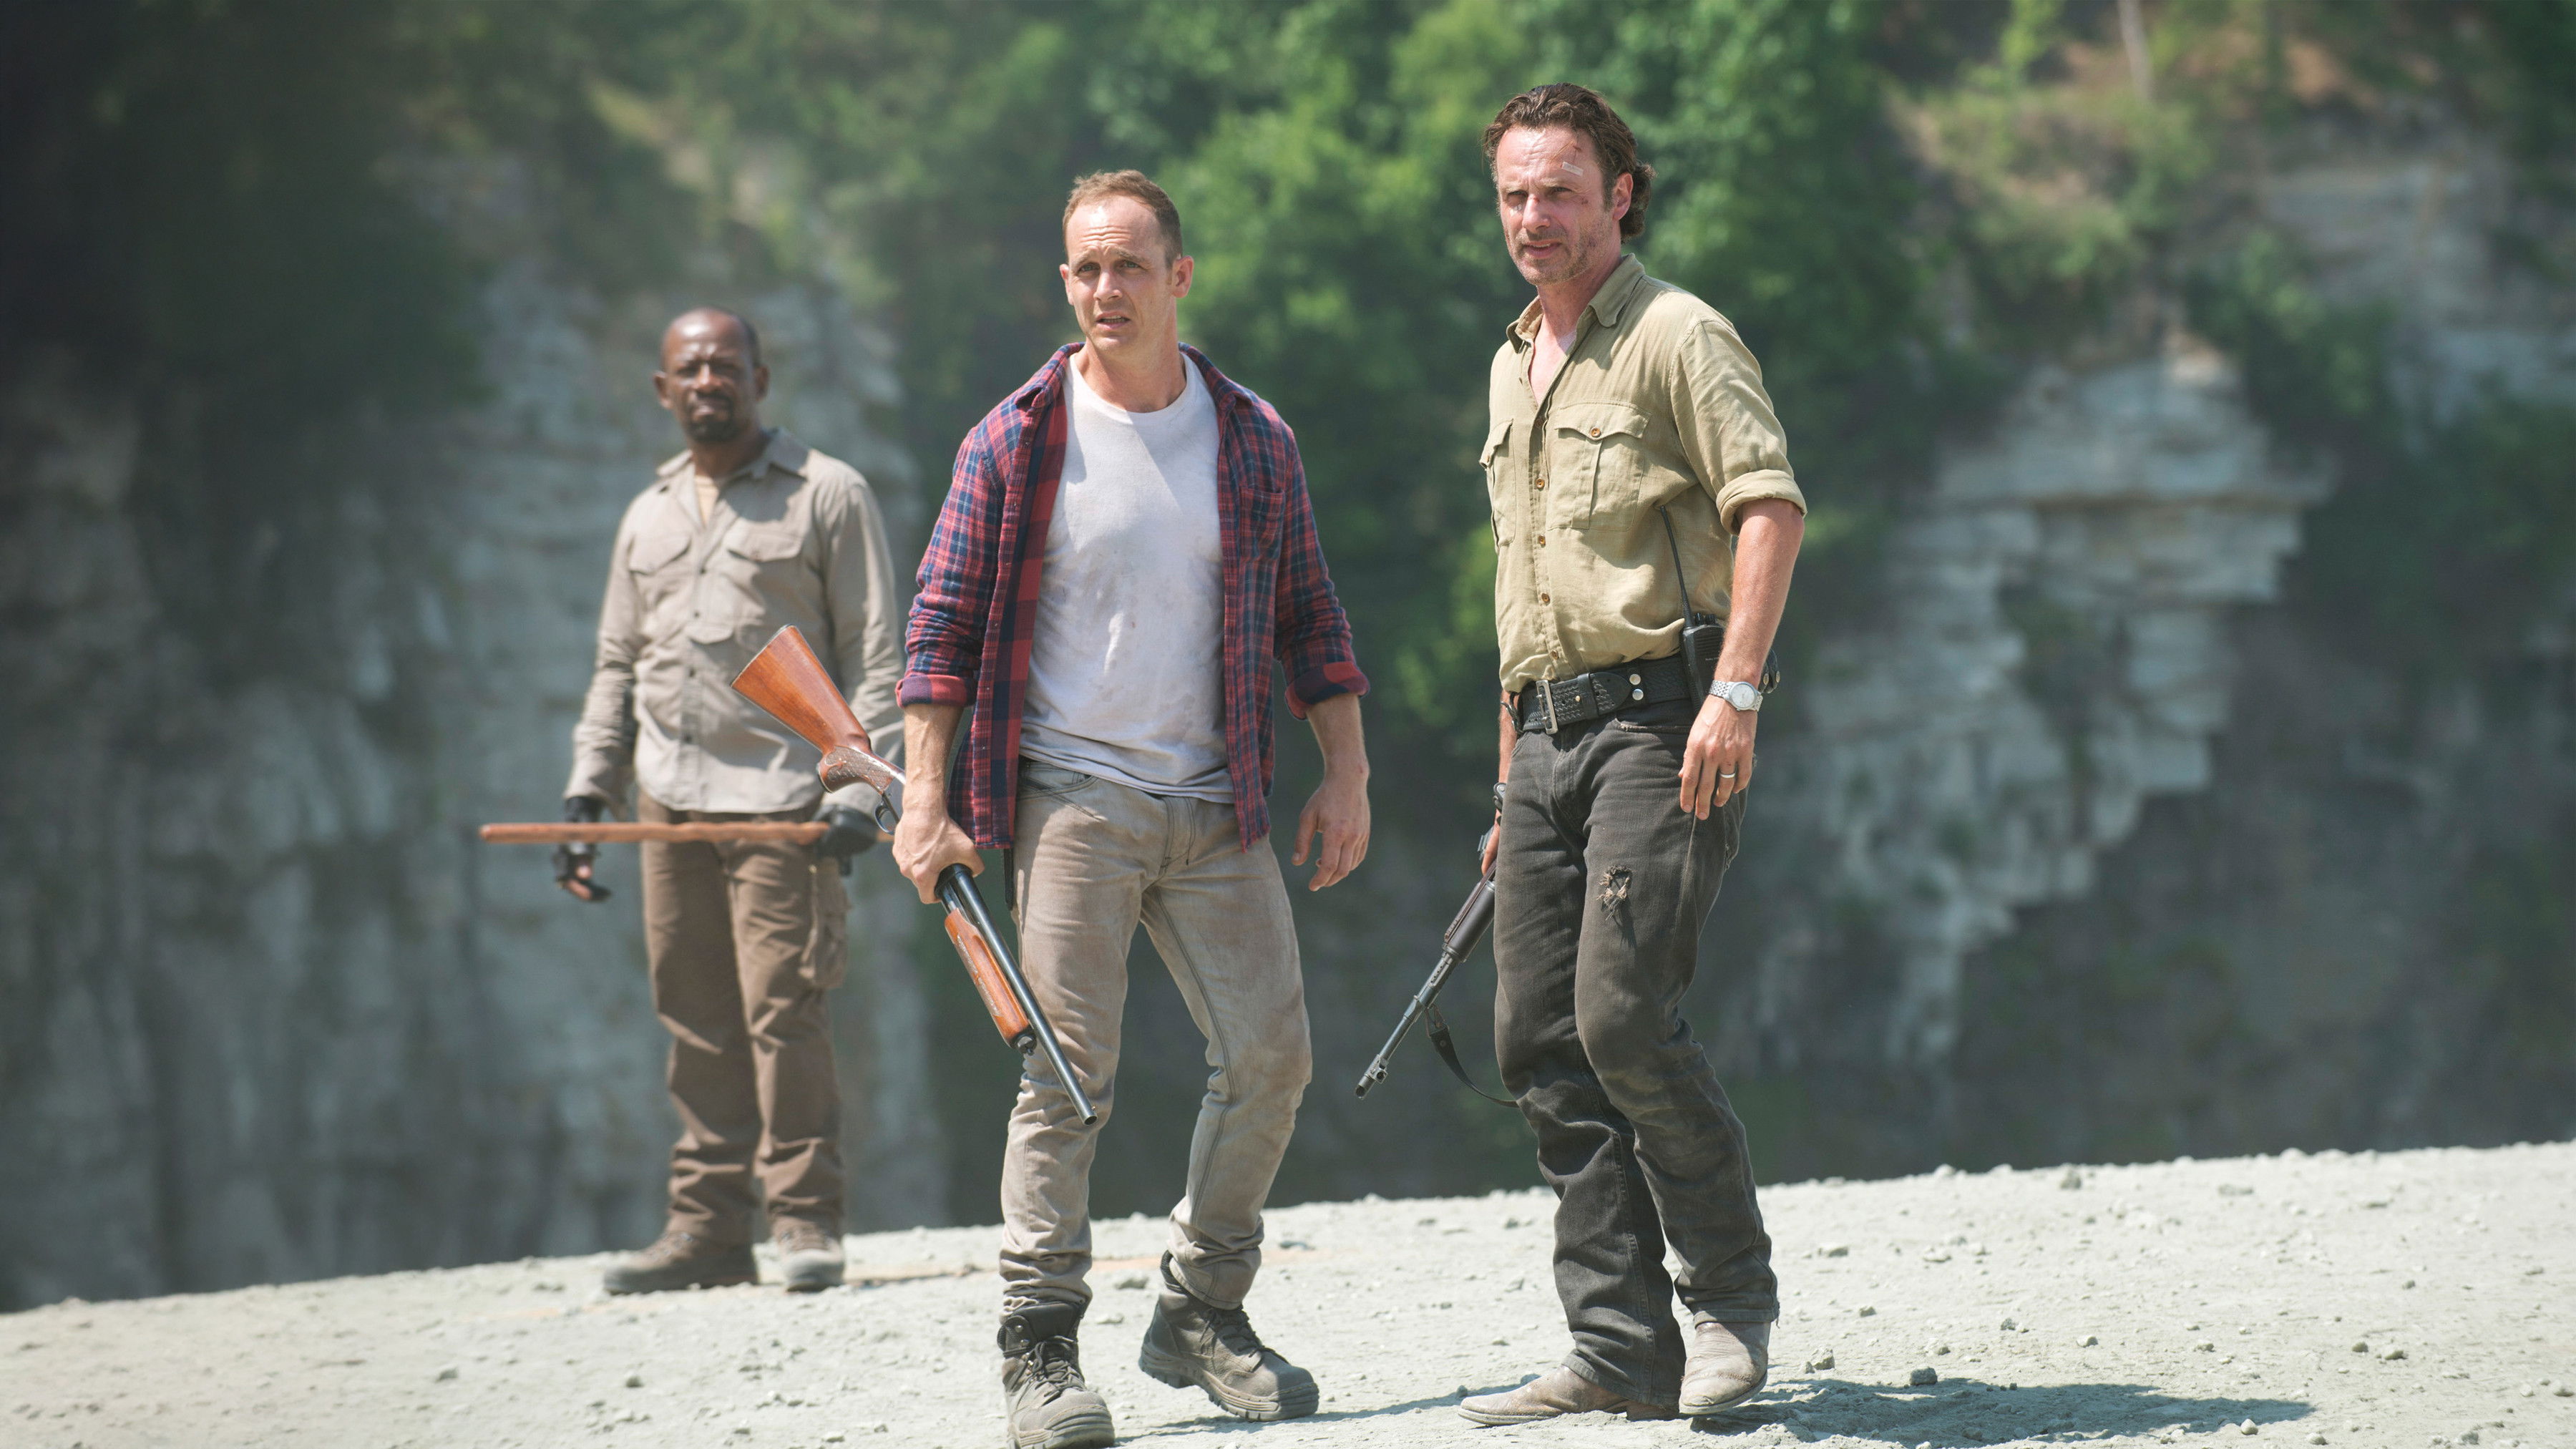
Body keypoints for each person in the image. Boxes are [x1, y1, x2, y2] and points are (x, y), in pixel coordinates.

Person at [893, 170, 1371, 1449]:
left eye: (1130, 266)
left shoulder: (1252, 436)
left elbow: (1311, 615)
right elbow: (939, 630)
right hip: (1073, 799)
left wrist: (1348, 770)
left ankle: (1201, 1307)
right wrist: (925, 800)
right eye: (1087, 268)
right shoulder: (1015, 439)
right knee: (1065, 1077)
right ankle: (1040, 1348)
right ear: (1066, 282)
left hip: (1219, 796)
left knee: (1272, 1059)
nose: (1107, 289)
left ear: (1179, 277)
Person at [1453, 86, 1807, 1427]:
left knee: (1621, 1017)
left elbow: (1768, 508)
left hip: (1665, 723)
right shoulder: (1511, 362)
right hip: (1544, 739)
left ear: (1620, 194)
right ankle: (1617, 1346)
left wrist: (1738, 694)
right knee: (1535, 1040)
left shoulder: (1677, 334)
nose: (1533, 216)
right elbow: (1523, 593)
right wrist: (1507, 782)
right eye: (1514, 194)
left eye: (1559, 190)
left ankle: (1728, 1304)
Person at [559, 307, 903, 1295]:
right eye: (690, 368)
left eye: (725, 365)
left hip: (784, 803)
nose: (708, 380)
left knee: (784, 1012)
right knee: (693, 1017)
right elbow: (616, 666)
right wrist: (590, 792)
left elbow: (876, 655)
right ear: (663, 388)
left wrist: (861, 789)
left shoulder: (827, 493)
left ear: (761, 378)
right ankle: (707, 1230)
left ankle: (804, 1221)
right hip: (668, 799)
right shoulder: (648, 514)